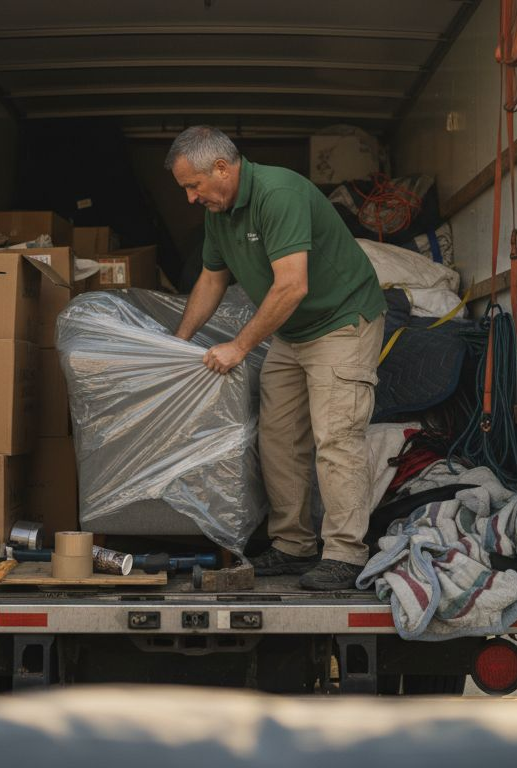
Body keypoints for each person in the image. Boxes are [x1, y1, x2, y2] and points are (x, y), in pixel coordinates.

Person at [166, 126, 386, 591]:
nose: (190, 198)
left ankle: (345, 554)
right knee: (279, 437)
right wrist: (177, 344)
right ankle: (292, 545)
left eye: (193, 186)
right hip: (294, 329)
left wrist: (239, 346)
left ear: (222, 169)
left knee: (336, 436)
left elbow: (292, 285)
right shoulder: (218, 211)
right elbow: (210, 280)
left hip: (342, 320)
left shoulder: (277, 192)